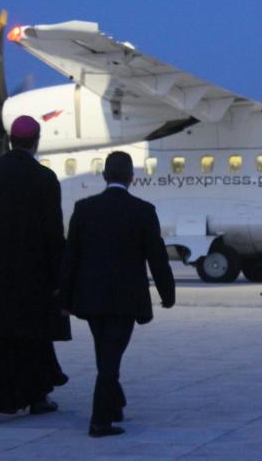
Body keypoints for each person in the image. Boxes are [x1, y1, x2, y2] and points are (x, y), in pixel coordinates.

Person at [61, 151, 175, 438]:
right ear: (131, 177)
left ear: (104, 175)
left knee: (105, 352)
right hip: (126, 298)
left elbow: (71, 256)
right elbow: (157, 256)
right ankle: (100, 420)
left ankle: (114, 403)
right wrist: (167, 292)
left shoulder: (84, 208)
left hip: (91, 297)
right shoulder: (143, 211)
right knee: (110, 357)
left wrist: (65, 298)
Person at [0, 116, 70, 425]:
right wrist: (57, 277)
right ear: (35, 142)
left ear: (11, 140)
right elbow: (53, 233)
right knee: (32, 340)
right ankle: (36, 398)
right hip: (31, 277)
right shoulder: (45, 178)